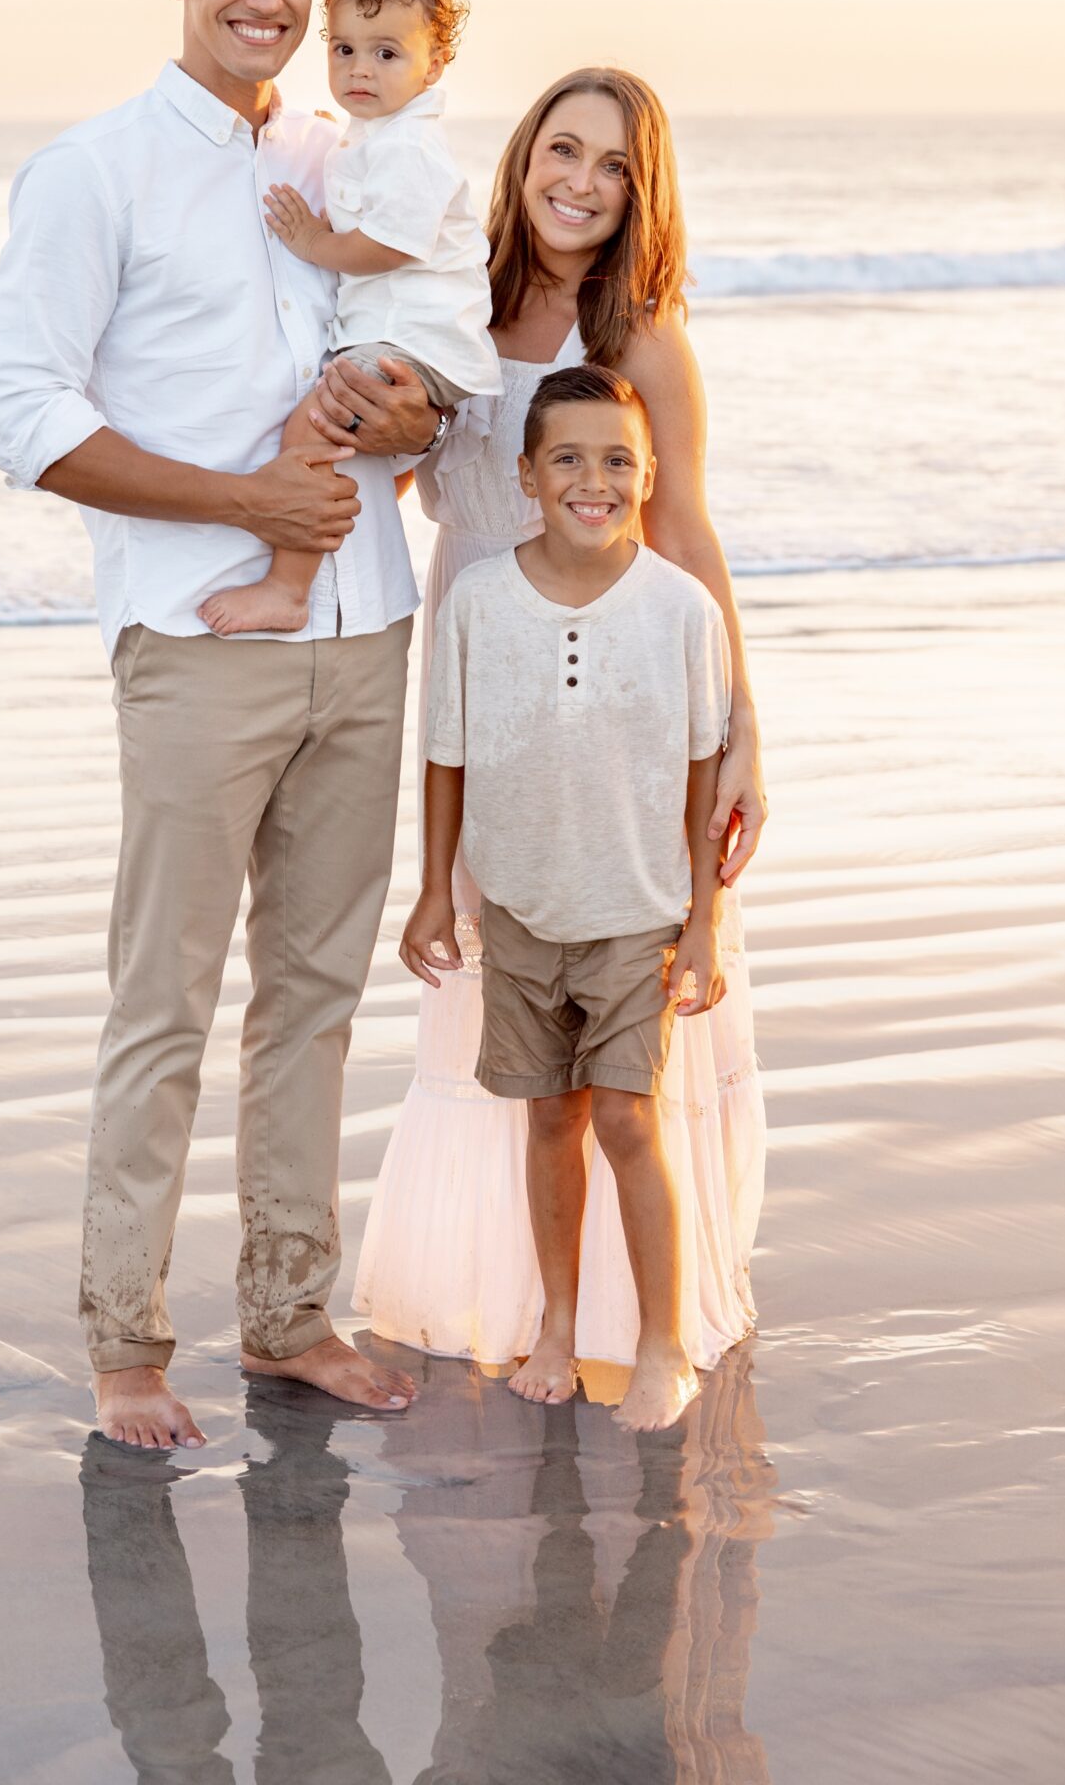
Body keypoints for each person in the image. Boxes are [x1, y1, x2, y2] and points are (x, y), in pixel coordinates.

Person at [0, 0, 440, 1451]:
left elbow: (427, 346)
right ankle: (125, 1345)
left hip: (368, 625)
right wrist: (243, 499)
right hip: (193, 642)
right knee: (162, 1006)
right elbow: (27, 419)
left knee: (313, 1001)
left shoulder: (342, 162)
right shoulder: (91, 173)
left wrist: (418, 415)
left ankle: (291, 1315)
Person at [351, 67, 768, 1373]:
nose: (582, 184)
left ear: (643, 196)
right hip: (480, 651)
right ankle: (520, 1299)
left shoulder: (637, 334)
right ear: (525, 152)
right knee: (499, 983)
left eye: (615, 168)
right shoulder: (452, 298)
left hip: (617, 684)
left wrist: (743, 717)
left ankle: (633, 1321)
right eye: (564, 150)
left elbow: (686, 526)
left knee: (619, 1001)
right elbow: (403, 450)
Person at [409, 365, 731, 1429]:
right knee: (551, 1119)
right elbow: (444, 758)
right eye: (568, 459)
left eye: (616, 462)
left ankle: (660, 1340)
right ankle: (554, 1323)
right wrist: (430, 894)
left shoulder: (680, 609)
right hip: (518, 909)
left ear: (645, 476)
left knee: (631, 1124)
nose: (593, 481)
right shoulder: (475, 602)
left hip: (637, 911)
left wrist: (700, 928)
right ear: (525, 476)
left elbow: (700, 776)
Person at [199, 0, 499, 638]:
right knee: (338, 440)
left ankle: (287, 585)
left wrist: (313, 244)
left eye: (387, 54)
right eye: (344, 50)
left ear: (434, 64)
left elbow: (390, 244)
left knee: (312, 423)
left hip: (418, 341)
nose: (360, 69)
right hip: (408, 339)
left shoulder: (410, 148)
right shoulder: (377, 137)